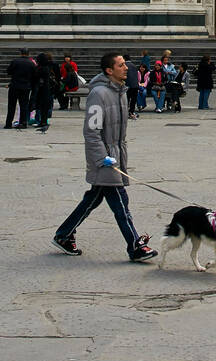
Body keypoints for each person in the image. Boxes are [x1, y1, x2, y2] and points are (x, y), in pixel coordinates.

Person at [50, 51, 157, 262]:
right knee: (120, 201)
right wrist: (102, 158)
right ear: (109, 70)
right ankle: (134, 245)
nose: (126, 68)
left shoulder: (120, 92)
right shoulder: (99, 94)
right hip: (105, 157)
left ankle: (64, 235)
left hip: (116, 154)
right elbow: (92, 130)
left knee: (93, 199)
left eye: (125, 64)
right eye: (121, 65)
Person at [5, 48, 37, 129]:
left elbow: (9, 71)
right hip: (25, 87)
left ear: (21, 53)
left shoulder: (15, 61)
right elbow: (34, 76)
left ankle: (8, 123)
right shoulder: (31, 63)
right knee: (24, 106)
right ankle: (23, 123)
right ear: (28, 54)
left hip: (14, 86)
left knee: (11, 105)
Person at [32, 53, 58, 131]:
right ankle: (43, 121)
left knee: (43, 106)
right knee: (43, 106)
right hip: (46, 88)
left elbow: (36, 76)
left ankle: (43, 122)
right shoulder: (47, 67)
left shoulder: (42, 68)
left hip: (43, 88)